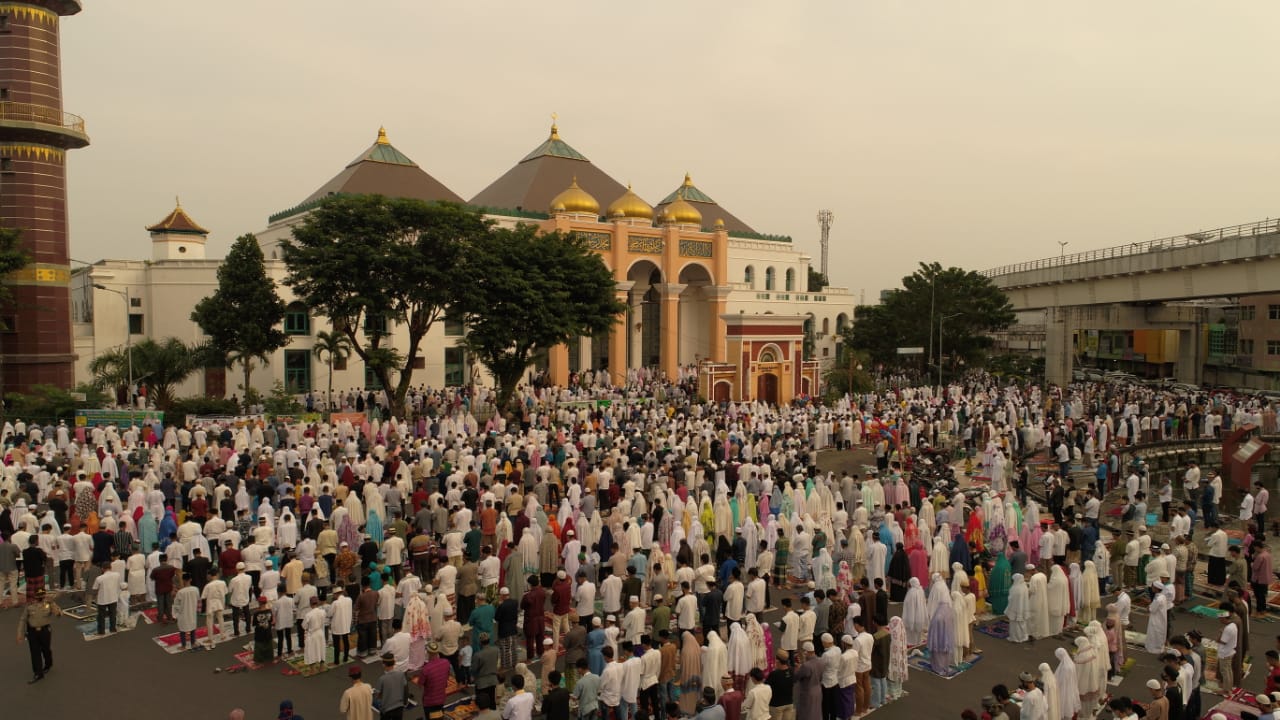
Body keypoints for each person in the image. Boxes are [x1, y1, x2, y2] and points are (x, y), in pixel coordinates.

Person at [16, 587, 61, 683]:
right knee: (35, 652)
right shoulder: (29, 606)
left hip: (45, 631)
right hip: (32, 632)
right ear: (35, 596)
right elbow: (23, 619)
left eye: (42, 596)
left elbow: (58, 614)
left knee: (46, 649)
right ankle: (38, 673)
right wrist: (20, 634)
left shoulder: (48, 604)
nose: (40, 598)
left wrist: (53, 604)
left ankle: (48, 664)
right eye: (38, 596)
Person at [374, 652, 409, 720]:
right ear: (394, 662)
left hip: (387, 710)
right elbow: (406, 690)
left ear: (383, 665)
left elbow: (376, 695)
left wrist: (381, 707)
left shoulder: (382, 679)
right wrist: (404, 703)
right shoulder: (401, 675)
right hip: (399, 708)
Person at [473, 632, 500, 710]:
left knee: (482, 704)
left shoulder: (478, 655)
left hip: (482, 683)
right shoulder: (496, 650)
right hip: (492, 680)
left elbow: (474, 669)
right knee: (492, 700)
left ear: (480, 642)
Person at [252, 595, 275, 663]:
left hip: (259, 632)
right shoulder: (269, 611)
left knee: (259, 645)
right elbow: (271, 621)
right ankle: (269, 657)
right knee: (268, 644)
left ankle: (259, 659)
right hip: (268, 631)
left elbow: (254, 623)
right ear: (266, 602)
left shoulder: (256, 613)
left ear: (259, 603)